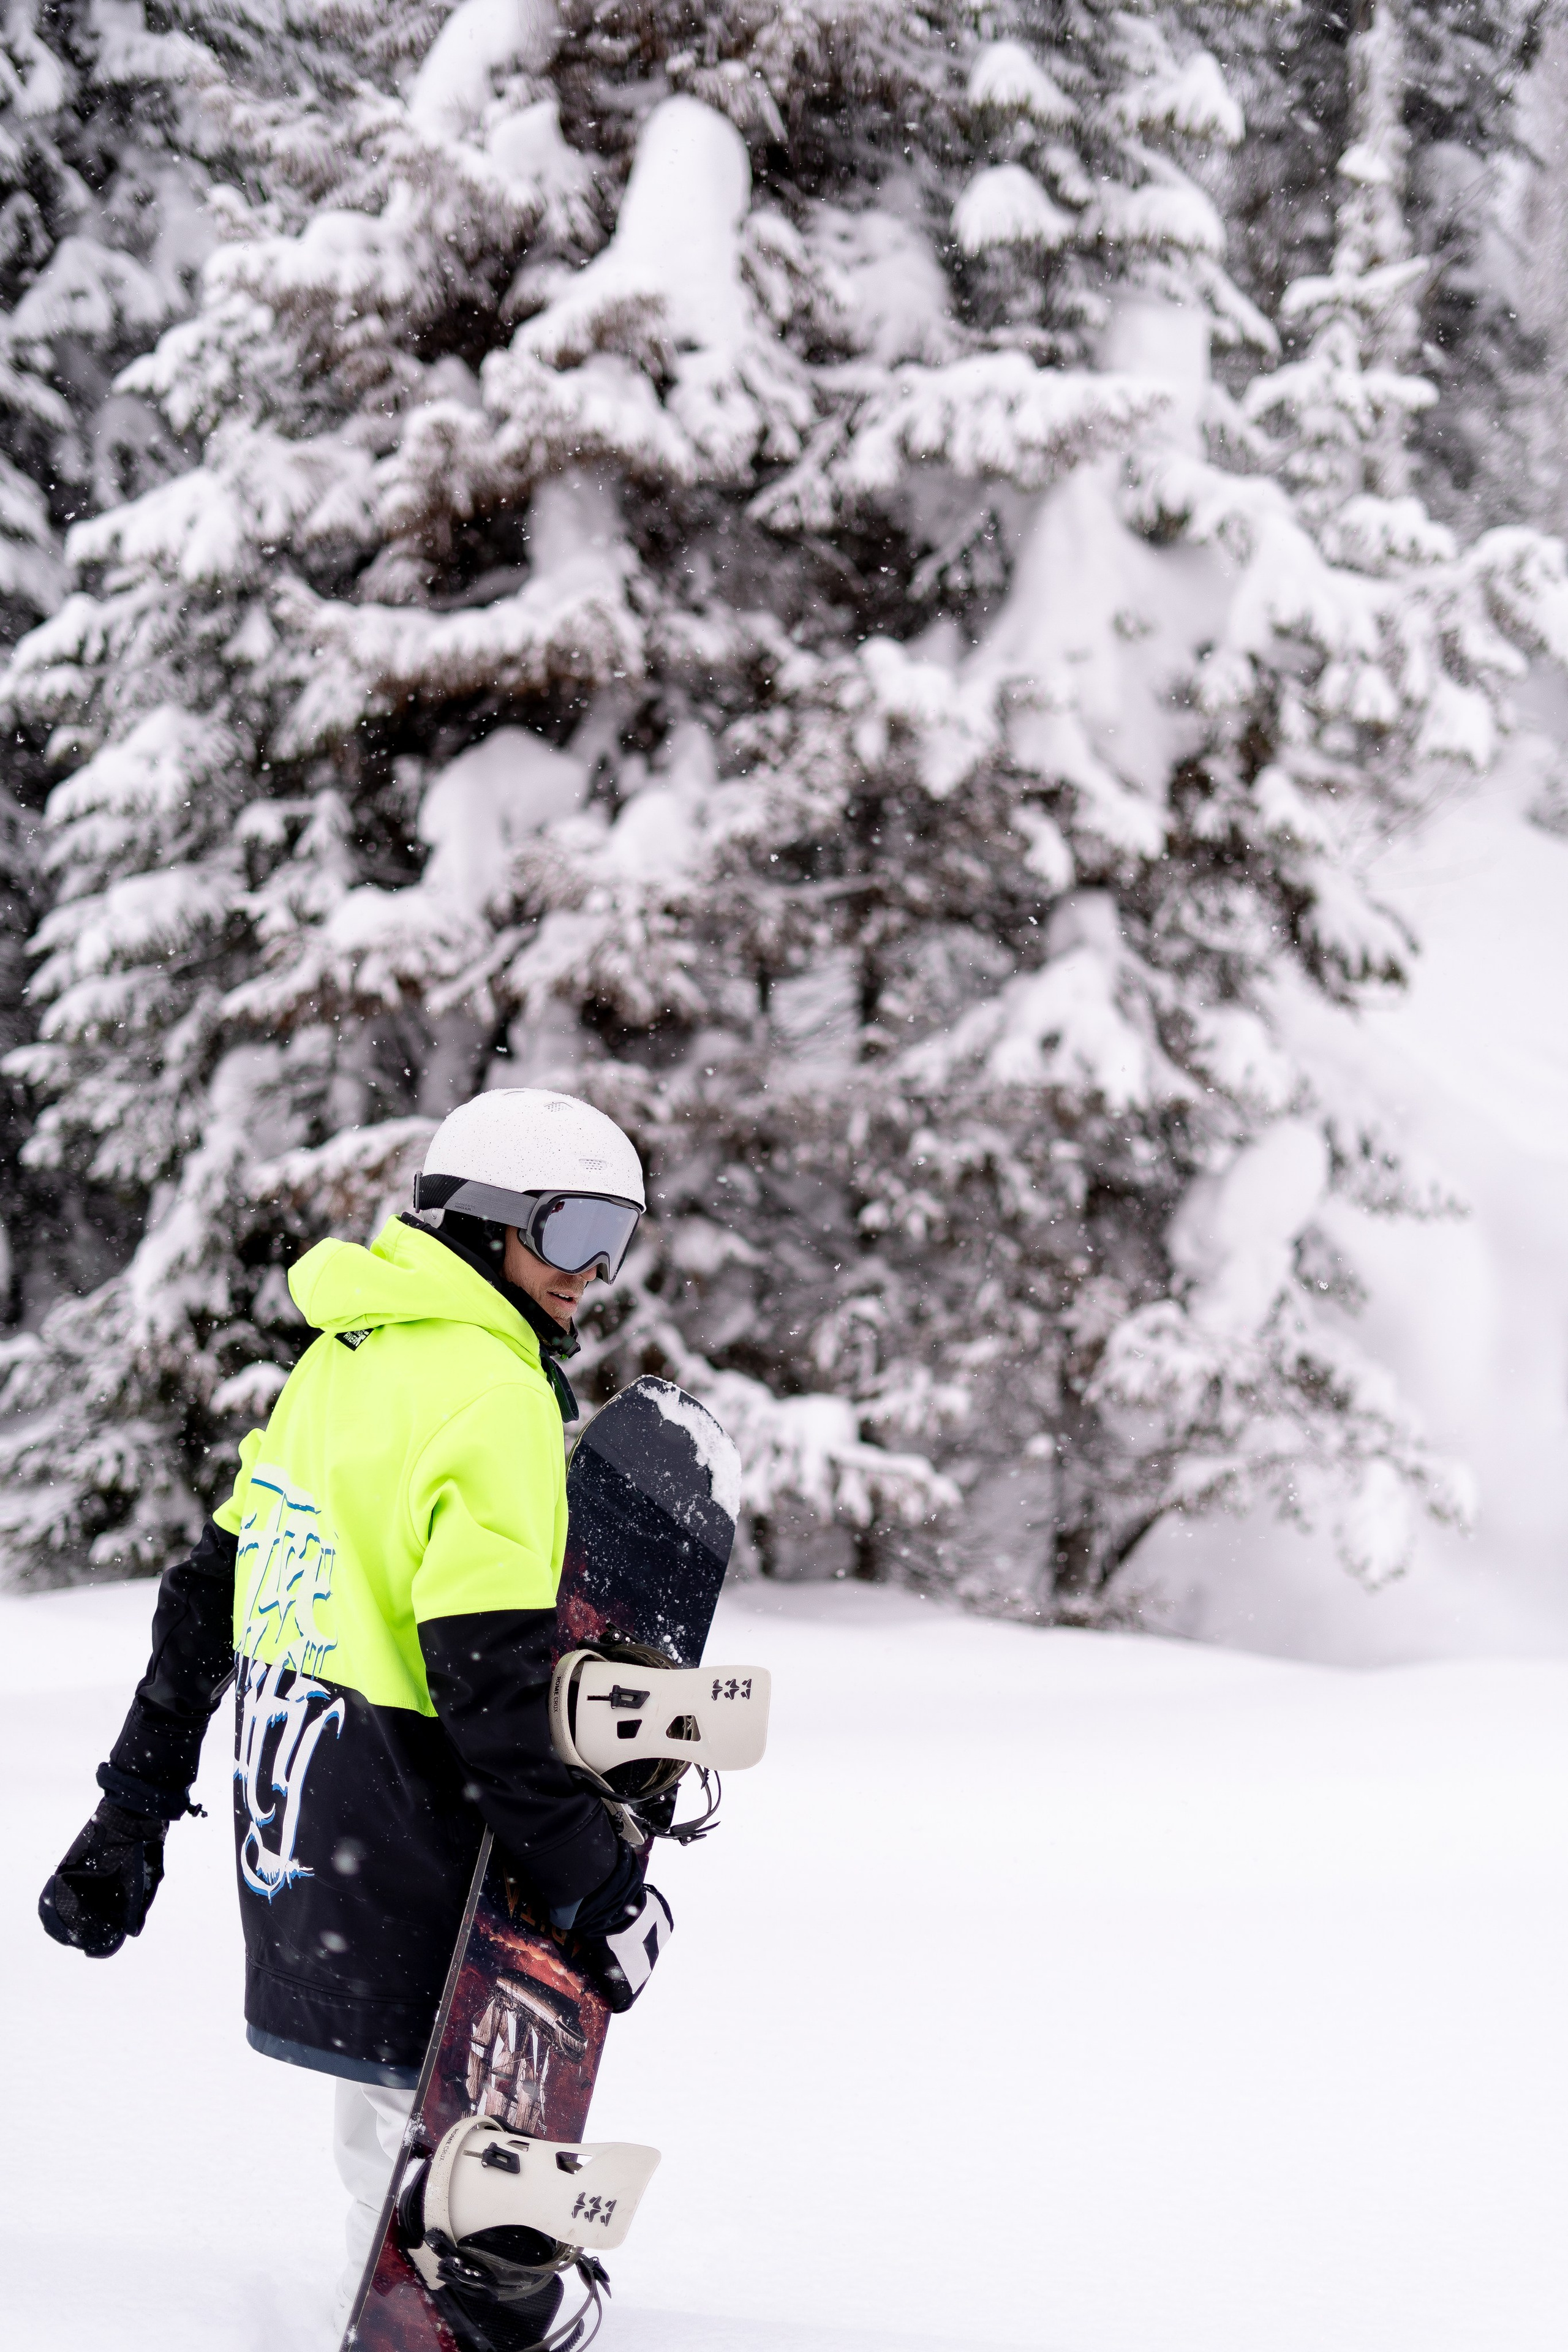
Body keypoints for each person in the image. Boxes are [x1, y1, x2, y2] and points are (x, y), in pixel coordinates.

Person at [39, 1088, 668, 2347]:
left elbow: (208, 1597)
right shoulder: (492, 1393)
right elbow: (481, 1682)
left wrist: (131, 1815)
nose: (594, 1276)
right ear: (489, 1226)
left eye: (620, 1239)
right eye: (572, 1231)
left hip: (302, 1825)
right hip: (412, 1829)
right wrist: (591, 1885)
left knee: (383, 2159)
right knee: (438, 2180)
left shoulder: (337, 1363)